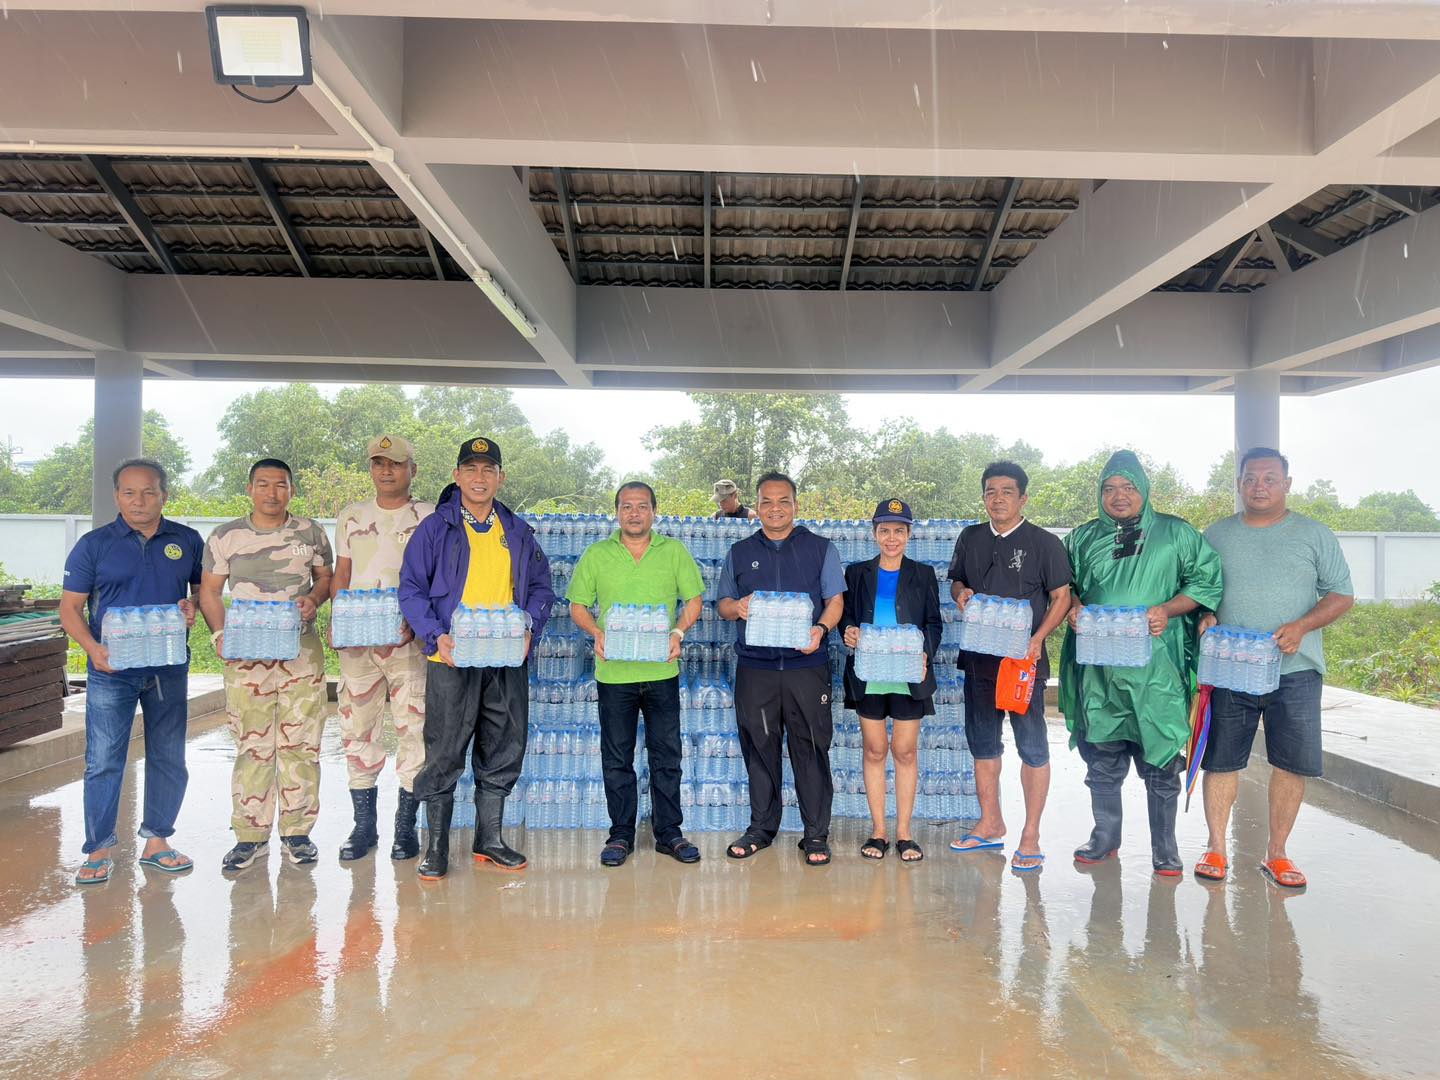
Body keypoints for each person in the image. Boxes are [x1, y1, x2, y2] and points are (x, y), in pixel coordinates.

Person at [1058, 450, 1223, 877]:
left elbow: (1205, 582)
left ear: (1145, 490)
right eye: (1109, 488)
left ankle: (1165, 847)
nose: (1119, 496)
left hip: (1157, 669)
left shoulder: (1177, 533)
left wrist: (1168, 609)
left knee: (1162, 758)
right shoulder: (1081, 538)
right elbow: (1063, 584)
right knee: (1102, 757)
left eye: (1128, 487)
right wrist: (1074, 606)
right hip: (1100, 670)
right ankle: (1105, 837)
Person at [1196, 448, 1354, 889]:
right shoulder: (1216, 535)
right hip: (1231, 667)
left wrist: (1302, 626)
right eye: (1250, 479)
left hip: (1296, 670)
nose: (1259, 486)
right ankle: (1215, 847)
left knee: (1291, 763)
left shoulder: (1314, 534)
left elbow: (1342, 595)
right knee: (1222, 760)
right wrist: (1205, 614)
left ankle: (1278, 853)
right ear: (1239, 484)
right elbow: (1200, 590)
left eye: (1269, 478)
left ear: (1287, 483)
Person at [398, 437, 554, 880]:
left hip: (504, 656)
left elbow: (541, 587)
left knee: (503, 744)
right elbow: (411, 589)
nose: (479, 477)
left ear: (501, 477)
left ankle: (489, 840)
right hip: (451, 658)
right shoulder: (435, 529)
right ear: (457, 476)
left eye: (488, 470)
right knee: (444, 748)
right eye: (470, 469)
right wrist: (436, 637)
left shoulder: (517, 531)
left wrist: (530, 627)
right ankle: (436, 848)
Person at [59, 458, 204, 885]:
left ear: (164, 495)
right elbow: (69, 609)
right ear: (116, 497)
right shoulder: (94, 545)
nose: (139, 501)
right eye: (129, 492)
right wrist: (93, 650)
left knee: (168, 755)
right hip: (112, 669)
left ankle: (158, 841)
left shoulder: (187, 540)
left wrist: (192, 606)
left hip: (167, 665)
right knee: (103, 760)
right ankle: (99, 848)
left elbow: (202, 592)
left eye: (148, 492)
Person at [198, 459, 334, 873]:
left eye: (280, 485)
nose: (272, 493)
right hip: (246, 655)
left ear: (291, 489)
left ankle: (298, 833)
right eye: (263, 484)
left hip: (300, 653)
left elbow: (325, 579)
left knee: (302, 744)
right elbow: (209, 592)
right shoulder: (225, 536)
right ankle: (250, 836)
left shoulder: (310, 532)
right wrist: (219, 635)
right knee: (252, 744)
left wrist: (315, 599)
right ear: (250, 488)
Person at [567, 481, 705, 868]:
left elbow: (694, 600)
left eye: (642, 506)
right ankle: (620, 835)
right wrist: (595, 632)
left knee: (666, 755)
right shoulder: (597, 554)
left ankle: (669, 833)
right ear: (617, 512)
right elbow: (578, 605)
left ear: (654, 512)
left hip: (661, 670)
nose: (634, 513)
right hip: (614, 674)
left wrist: (678, 632)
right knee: (617, 758)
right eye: (626, 506)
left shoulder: (673, 551)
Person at [946, 463, 1072, 872]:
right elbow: (956, 580)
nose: (997, 499)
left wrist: (1038, 639)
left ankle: (1031, 835)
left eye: (1006, 491)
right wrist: (961, 593)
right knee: (984, 745)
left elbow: (1061, 597)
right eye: (990, 491)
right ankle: (990, 823)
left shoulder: (1044, 543)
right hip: (980, 659)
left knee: (1032, 747)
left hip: (1023, 664)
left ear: (1023, 498)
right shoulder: (971, 537)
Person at [716, 471, 845, 866]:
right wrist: (737, 608)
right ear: (756, 507)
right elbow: (723, 604)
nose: (775, 508)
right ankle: (761, 828)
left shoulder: (820, 549)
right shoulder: (739, 552)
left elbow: (835, 602)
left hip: (807, 666)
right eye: (767, 502)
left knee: (810, 748)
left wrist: (820, 630)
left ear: (795, 505)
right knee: (760, 748)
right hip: (756, 668)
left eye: (783, 501)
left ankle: (815, 834)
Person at [331, 434, 436, 863]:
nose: (386, 470)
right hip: (359, 641)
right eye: (379, 463)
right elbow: (342, 574)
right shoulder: (351, 516)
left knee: (414, 729)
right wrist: (338, 620)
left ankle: (405, 827)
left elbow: (438, 577)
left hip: (408, 641)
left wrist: (419, 621)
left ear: (413, 469)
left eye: (395, 463)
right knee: (357, 729)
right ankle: (363, 826)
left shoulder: (429, 516)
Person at [839, 499, 942, 863]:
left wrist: (925, 651)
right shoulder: (857, 573)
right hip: (869, 674)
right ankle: (879, 830)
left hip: (908, 674)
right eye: (885, 530)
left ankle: (904, 833)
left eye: (899, 531)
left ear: (909, 534)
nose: (892, 538)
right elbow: (845, 616)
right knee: (874, 750)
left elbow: (934, 623)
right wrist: (848, 631)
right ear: (874, 534)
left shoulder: (923, 574)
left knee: (905, 751)